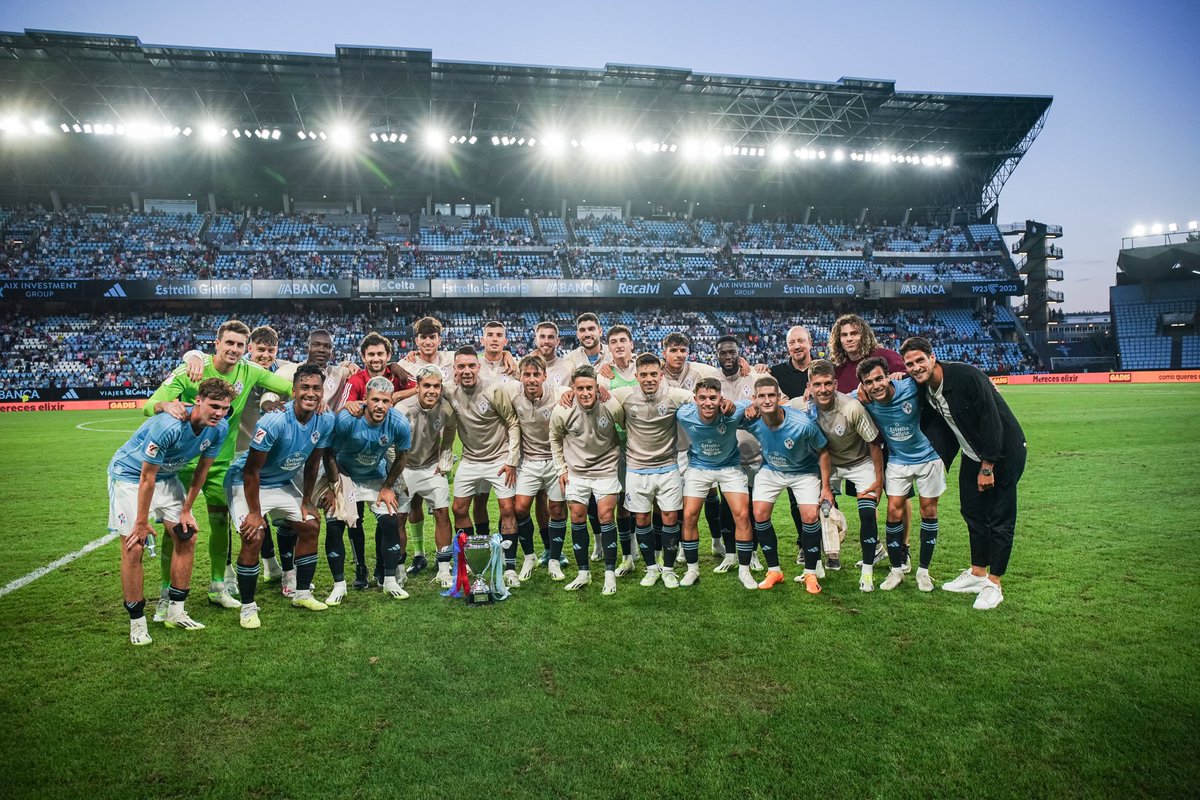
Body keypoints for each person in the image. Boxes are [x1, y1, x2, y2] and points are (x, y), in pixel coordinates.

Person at [144, 320, 293, 612]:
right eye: (230, 343)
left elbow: (289, 384)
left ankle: (217, 586)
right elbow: (150, 404)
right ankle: (164, 592)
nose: (235, 350)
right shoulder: (192, 370)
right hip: (181, 463)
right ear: (217, 343)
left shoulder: (249, 370)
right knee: (174, 528)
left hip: (219, 462)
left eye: (239, 345)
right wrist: (166, 405)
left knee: (220, 523)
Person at [899, 336, 1027, 610]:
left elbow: (992, 420)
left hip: (1002, 452)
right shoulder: (925, 388)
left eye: (920, 360)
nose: (915, 367)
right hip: (972, 454)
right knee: (972, 512)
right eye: (909, 364)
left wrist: (988, 465)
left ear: (933, 358)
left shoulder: (966, 376)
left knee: (1000, 518)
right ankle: (978, 573)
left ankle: (994, 584)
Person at [109, 378, 234, 645]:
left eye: (224, 408)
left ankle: (176, 611)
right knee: (134, 546)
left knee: (186, 535)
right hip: (131, 477)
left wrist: (187, 509)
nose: (219, 413)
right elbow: (146, 477)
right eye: (214, 405)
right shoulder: (169, 426)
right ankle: (137, 623)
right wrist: (142, 522)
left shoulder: (219, 428)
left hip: (167, 477)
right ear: (198, 400)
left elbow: (202, 470)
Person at [226, 364, 335, 629]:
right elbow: (251, 470)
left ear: (323, 392)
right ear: (294, 390)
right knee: (254, 535)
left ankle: (302, 594)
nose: (311, 393)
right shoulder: (273, 420)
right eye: (305, 388)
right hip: (247, 483)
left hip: (281, 482)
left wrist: (307, 499)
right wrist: (254, 513)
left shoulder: (325, 419)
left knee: (310, 524)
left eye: (316, 388)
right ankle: (248, 608)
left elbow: (312, 464)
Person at [828, 313, 911, 568]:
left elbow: (910, 378)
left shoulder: (885, 357)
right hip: (862, 445)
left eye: (854, 333)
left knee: (898, 496)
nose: (849, 338)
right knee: (868, 496)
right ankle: (875, 547)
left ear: (863, 334)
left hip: (894, 440)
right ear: (838, 339)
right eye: (844, 335)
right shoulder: (839, 369)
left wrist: (900, 376)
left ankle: (904, 548)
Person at [321, 376, 412, 604]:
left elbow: (402, 457)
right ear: (365, 400)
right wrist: (334, 487)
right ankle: (339, 586)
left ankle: (389, 581)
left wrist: (388, 487)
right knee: (334, 526)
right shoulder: (347, 419)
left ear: (391, 402)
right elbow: (328, 454)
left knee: (391, 521)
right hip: (345, 476)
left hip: (374, 476)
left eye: (385, 401)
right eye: (375, 400)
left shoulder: (399, 423)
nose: (380, 405)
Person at [857, 357, 944, 593]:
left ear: (888, 375)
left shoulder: (909, 387)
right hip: (897, 460)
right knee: (893, 510)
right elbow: (836, 400)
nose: (876, 386)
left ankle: (923, 572)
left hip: (929, 456)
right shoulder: (862, 399)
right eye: (869, 382)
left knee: (929, 510)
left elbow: (939, 376)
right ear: (863, 386)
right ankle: (896, 570)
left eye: (879, 378)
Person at [797, 360, 886, 590]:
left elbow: (874, 442)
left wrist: (879, 480)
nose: (823, 389)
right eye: (817, 384)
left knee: (867, 513)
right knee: (814, 510)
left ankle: (867, 572)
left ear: (836, 383)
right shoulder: (807, 411)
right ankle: (815, 565)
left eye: (828, 383)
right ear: (810, 386)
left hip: (860, 461)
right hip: (830, 464)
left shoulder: (851, 407)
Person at [741, 376, 834, 594]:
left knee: (810, 516)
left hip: (804, 472)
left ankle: (810, 572)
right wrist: (745, 407)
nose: (766, 400)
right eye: (761, 396)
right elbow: (728, 412)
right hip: (772, 470)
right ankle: (774, 571)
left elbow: (823, 451)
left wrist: (826, 487)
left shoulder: (802, 424)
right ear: (754, 399)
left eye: (771, 395)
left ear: (779, 397)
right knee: (760, 514)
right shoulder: (752, 419)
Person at [610, 353, 695, 588]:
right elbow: (598, 392)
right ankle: (651, 568)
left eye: (654, 374)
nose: (649, 379)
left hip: (668, 467)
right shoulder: (623, 396)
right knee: (642, 519)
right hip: (636, 469)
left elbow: (700, 398)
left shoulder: (675, 395)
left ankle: (667, 570)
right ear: (636, 376)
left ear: (661, 375)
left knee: (670, 517)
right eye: (644, 375)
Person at [441, 346, 522, 587]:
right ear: (454, 369)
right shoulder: (448, 390)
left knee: (508, 509)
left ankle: (509, 568)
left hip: (499, 459)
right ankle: (469, 560)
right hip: (470, 459)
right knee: (458, 509)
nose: (466, 371)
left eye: (471, 366)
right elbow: (424, 385)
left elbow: (512, 423)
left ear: (478, 367)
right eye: (461, 366)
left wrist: (511, 461)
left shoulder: (494, 389)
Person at [340, 331, 413, 588]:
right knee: (353, 517)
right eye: (370, 354)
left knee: (388, 509)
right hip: (354, 455)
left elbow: (423, 384)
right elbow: (346, 406)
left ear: (388, 356)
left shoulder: (397, 373)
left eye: (380, 353)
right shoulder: (356, 379)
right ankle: (361, 567)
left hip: (388, 449)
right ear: (363, 357)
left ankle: (384, 567)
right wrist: (360, 404)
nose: (376, 358)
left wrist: (395, 396)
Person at [548, 365, 626, 594]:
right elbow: (554, 438)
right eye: (580, 388)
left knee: (605, 515)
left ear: (597, 387)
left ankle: (610, 574)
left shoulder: (611, 405)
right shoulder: (562, 409)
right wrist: (561, 470)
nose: (585, 393)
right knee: (578, 516)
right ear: (572, 388)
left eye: (589, 388)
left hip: (606, 469)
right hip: (577, 472)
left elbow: (627, 428)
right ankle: (584, 573)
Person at [675, 378, 748, 588]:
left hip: (729, 467)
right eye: (703, 398)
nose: (708, 403)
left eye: (713, 398)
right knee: (689, 515)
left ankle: (744, 570)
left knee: (742, 514)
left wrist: (749, 408)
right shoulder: (684, 413)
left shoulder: (734, 411)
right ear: (695, 399)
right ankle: (692, 570)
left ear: (721, 399)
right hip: (699, 467)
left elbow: (753, 404)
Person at [504, 354, 568, 581]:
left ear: (545, 376)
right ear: (520, 376)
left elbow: (584, 390)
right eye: (526, 375)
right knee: (520, 509)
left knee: (557, 510)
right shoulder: (513, 394)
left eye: (536, 375)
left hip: (554, 462)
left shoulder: (560, 394)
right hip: (528, 461)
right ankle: (529, 555)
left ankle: (554, 559)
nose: (531, 380)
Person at [396, 366, 458, 589]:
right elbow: (390, 443)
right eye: (427, 386)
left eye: (436, 386)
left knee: (442, 512)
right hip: (405, 468)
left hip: (431, 468)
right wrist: (396, 470)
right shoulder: (403, 409)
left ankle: (443, 569)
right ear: (418, 387)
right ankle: (399, 569)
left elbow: (450, 432)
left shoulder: (446, 409)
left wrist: (445, 457)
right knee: (399, 518)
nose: (432, 390)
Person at [713, 335, 764, 570]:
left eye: (732, 352)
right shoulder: (710, 379)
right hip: (725, 456)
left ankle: (752, 552)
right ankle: (730, 553)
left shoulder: (753, 377)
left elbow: (776, 399)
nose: (728, 357)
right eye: (723, 353)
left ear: (739, 353)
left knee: (752, 506)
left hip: (753, 454)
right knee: (728, 505)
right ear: (717, 355)